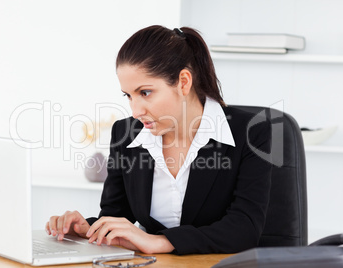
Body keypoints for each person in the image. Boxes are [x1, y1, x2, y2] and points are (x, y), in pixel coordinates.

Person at [46, 25, 272, 255]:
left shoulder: (251, 133)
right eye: (128, 95)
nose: (135, 110)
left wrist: (159, 242)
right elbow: (117, 215)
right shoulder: (125, 134)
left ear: (183, 82)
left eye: (145, 92)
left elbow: (245, 229)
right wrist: (89, 228)